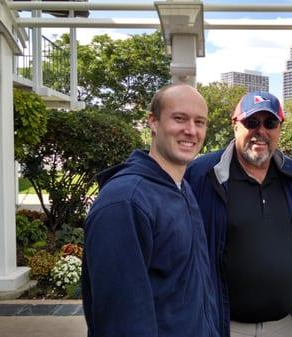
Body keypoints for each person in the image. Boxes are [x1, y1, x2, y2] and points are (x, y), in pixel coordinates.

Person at [185, 91, 292, 337]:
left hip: (284, 326)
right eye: (251, 122)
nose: (260, 131)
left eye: (270, 123)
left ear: (279, 128)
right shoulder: (202, 173)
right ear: (235, 125)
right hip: (225, 326)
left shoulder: (290, 173)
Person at [81, 84, 219, 337]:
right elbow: (120, 322)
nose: (191, 130)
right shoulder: (126, 202)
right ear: (153, 122)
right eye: (179, 118)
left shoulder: (182, 189)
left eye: (199, 122)